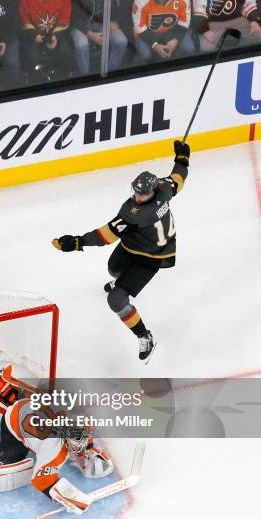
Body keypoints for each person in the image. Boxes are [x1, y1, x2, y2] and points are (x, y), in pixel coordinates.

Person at [52, 140, 190, 363]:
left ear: (152, 193)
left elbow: (104, 236)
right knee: (113, 268)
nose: (137, 198)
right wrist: (182, 158)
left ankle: (144, 335)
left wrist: (77, 242)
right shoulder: (164, 189)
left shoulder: (138, 215)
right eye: (136, 193)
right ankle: (123, 281)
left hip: (151, 256)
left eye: (142, 195)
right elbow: (178, 179)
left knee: (115, 299)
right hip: (135, 243)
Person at [0, 365, 113, 514]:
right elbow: (40, 480)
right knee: (10, 471)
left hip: (30, 407)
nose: (81, 442)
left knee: (42, 398)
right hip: (14, 425)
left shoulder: (75, 417)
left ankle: (3, 384)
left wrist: (88, 448)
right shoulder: (54, 450)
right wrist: (70, 496)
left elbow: (79, 427)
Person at [18, 0, 72, 84]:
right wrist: (34, 35)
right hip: (34, 36)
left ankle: (63, 82)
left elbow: (65, 18)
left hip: (56, 35)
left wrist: (55, 37)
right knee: (32, 57)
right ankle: (35, 85)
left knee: (65, 51)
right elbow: (24, 19)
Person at [70, 0, 128, 75]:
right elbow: (73, 18)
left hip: (103, 23)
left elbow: (121, 6)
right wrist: (91, 34)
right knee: (81, 46)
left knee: (121, 41)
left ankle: (111, 75)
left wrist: (116, 22)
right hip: (80, 26)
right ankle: (85, 78)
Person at [193, 0, 261, 51]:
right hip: (212, 24)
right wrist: (205, 30)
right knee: (206, 48)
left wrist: (254, 20)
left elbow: (248, 4)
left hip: (237, 20)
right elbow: (198, 9)